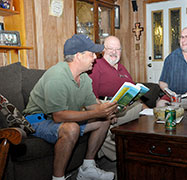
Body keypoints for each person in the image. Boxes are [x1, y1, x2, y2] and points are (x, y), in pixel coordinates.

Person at [23, 34, 118, 180]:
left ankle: (88, 167)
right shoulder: (57, 75)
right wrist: (96, 113)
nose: (95, 57)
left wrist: (107, 111)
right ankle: (58, 178)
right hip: (37, 121)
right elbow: (58, 116)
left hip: (60, 120)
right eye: (91, 53)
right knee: (72, 128)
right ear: (78, 55)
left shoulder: (84, 78)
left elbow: (93, 106)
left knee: (103, 120)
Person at [88, 36, 144, 161]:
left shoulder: (122, 68)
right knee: (104, 124)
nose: (114, 52)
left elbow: (133, 89)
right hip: (104, 103)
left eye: (117, 49)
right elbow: (92, 97)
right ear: (103, 51)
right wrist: (106, 112)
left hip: (122, 104)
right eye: (110, 49)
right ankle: (126, 155)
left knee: (143, 112)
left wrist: (148, 110)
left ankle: (142, 148)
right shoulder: (96, 66)